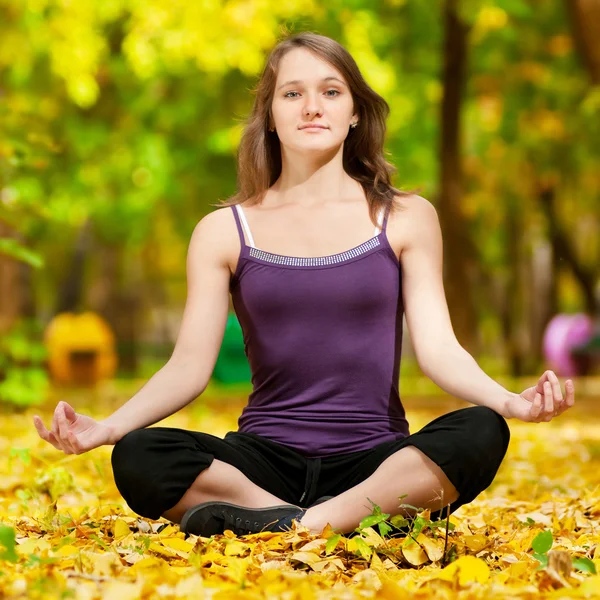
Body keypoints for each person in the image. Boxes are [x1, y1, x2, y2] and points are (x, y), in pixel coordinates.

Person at [33, 32, 576, 538]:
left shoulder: (406, 216)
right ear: (270, 116)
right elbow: (188, 367)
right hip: (261, 463)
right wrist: (106, 429)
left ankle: (309, 520)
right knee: (139, 454)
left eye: (330, 91)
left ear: (355, 111)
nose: (312, 106)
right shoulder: (223, 231)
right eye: (292, 93)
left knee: (481, 431)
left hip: (376, 460)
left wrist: (510, 403)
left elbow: (437, 351)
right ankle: (312, 519)